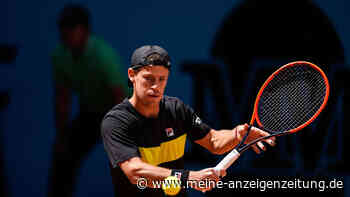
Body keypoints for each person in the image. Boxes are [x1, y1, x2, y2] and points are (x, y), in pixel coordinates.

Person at [101, 45, 276, 197]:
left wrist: (237, 134)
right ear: (132, 75)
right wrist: (189, 177)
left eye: (162, 79)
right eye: (149, 78)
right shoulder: (116, 122)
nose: (156, 86)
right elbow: (135, 171)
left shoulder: (177, 110)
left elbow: (214, 141)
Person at [47, 4, 127, 197]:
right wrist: (62, 136)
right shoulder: (60, 56)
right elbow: (62, 99)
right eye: (64, 27)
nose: (67, 32)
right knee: (63, 154)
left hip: (125, 112)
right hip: (91, 113)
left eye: (72, 27)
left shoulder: (104, 55)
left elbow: (119, 97)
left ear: (85, 30)